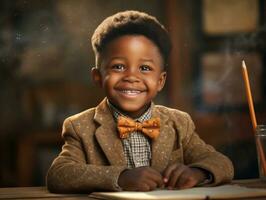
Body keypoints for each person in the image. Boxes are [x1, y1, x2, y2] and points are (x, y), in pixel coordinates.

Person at [46, 10, 234, 193]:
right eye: (118, 66)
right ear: (97, 77)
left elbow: (222, 163)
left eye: (145, 68)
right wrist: (120, 177)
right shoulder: (79, 127)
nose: (131, 77)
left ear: (160, 81)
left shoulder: (179, 122)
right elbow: (59, 174)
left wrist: (198, 172)